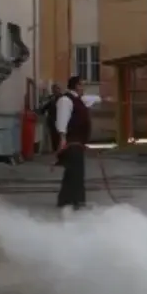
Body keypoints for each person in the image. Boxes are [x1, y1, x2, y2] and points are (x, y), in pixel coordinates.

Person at [54, 75, 91, 210]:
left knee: (73, 171)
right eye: (81, 85)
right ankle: (73, 200)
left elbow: (94, 99)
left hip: (78, 142)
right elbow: (62, 121)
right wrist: (62, 140)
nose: (83, 88)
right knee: (75, 171)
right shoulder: (66, 100)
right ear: (76, 86)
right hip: (71, 142)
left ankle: (67, 200)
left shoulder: (78, 100)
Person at [38, 83, 63, 152]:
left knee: (58, 137)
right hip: (52, 121)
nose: (55, 90)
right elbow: (45, 107)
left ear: (60, 90)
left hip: (59, 120)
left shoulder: (62, 98)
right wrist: (40, 111)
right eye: (54, 89)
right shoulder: (51, 98)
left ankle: (59, 151)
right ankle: (56, 150)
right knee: (53, 137)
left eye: (57, 89)